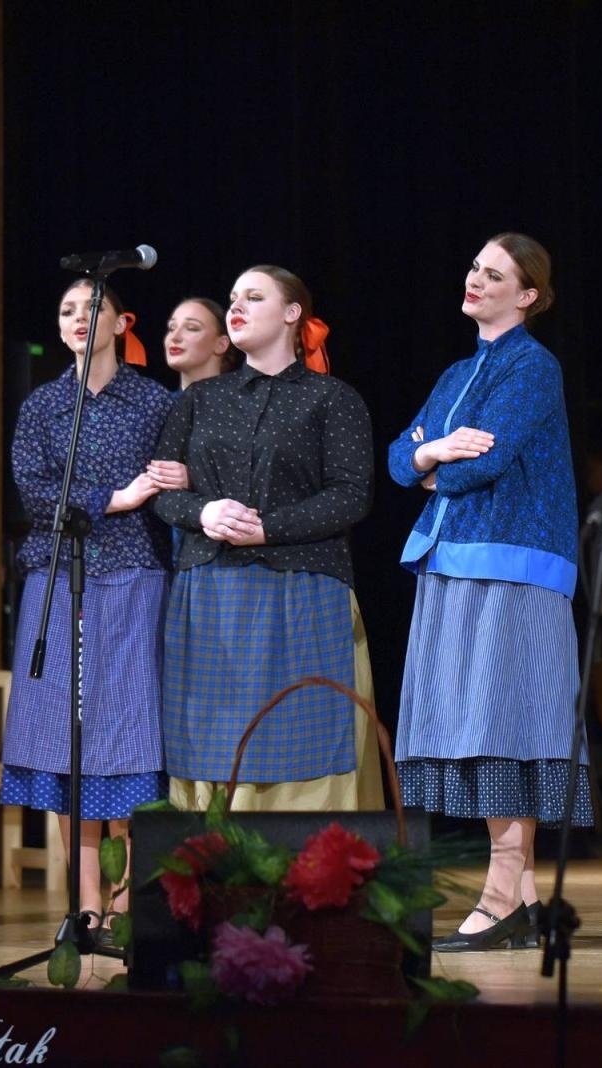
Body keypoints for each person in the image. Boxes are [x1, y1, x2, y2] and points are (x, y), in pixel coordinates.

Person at [388, 233, 587, 952]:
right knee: (472, 724)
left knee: (505, 725)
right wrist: (432, 452)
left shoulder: (534, 366)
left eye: (494, 273)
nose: (475, 279)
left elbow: (490, 456)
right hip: (452, 557)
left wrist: (437, 459)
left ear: (527, 294)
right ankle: (522, 898)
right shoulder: (455, 374)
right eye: (473, 266)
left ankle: (503, 892)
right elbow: (400, 458)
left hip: (511, 561)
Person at [154, 266, 380, 813]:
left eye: (254, 297)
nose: (238, 306)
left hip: (302, 589)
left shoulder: (332, 398)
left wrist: (269, 528)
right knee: (215, 737)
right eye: (233, 298)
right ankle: (214, 875)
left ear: (292, 313)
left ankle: (311, 877)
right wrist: (204, 510)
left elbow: (352, 495)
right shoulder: (199, 399)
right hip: (212, 591)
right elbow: (163, 490)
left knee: (303, 727)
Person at [2, 278, 172, 937]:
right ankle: (84, 901)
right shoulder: (44, 404)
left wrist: (140, 498)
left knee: (126, 732)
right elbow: (35, 492)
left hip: (133, 574)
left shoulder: (154, 401)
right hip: (57, 575)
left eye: (91, 308)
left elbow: (168, 482)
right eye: (67, 308)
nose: (78, 318)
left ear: (122, 321)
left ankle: (127, 904)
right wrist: (115, 498)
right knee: (64, 734)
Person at [162, 297, 237, 388]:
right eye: (172, 328)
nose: (174, 337)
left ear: (221, 344)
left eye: (192, 328)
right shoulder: (161, 401)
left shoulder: (246, 401)